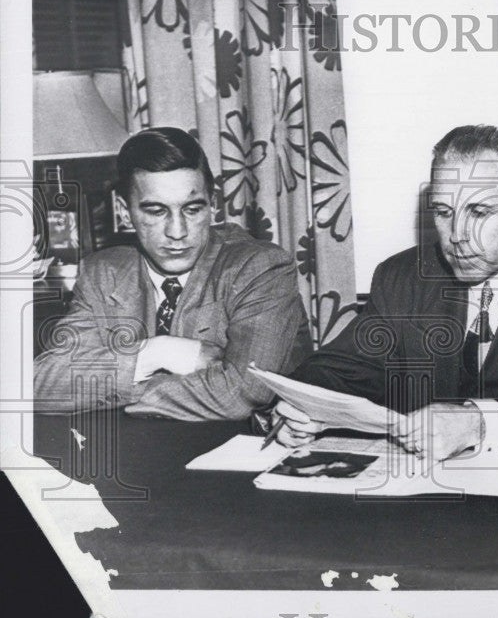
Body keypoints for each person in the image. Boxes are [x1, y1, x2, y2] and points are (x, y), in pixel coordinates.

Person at [271, 124, 498, 460]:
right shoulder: (402, 276)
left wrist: (477, 421)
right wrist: (301, 405)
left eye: (479, 212)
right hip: (436, 496)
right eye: (444, 212)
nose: (458, 235)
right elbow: (341, 369)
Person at [34, 127, 312, 420]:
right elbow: (41, 385)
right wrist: (156, 353)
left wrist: (117, 383)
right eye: (156, 211)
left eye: (192, 209)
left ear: (213, 205)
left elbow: (241, 395)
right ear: (124, 210)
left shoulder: (261, 268)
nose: (177, 232)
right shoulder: (103, 272)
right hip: (143, 453)